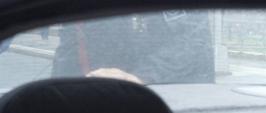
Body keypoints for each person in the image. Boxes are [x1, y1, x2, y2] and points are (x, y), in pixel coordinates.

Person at [51, 10, 214, 84]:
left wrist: (140, 77)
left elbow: (193, 43)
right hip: (103, 102)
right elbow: (70, 50)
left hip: (179, 104)